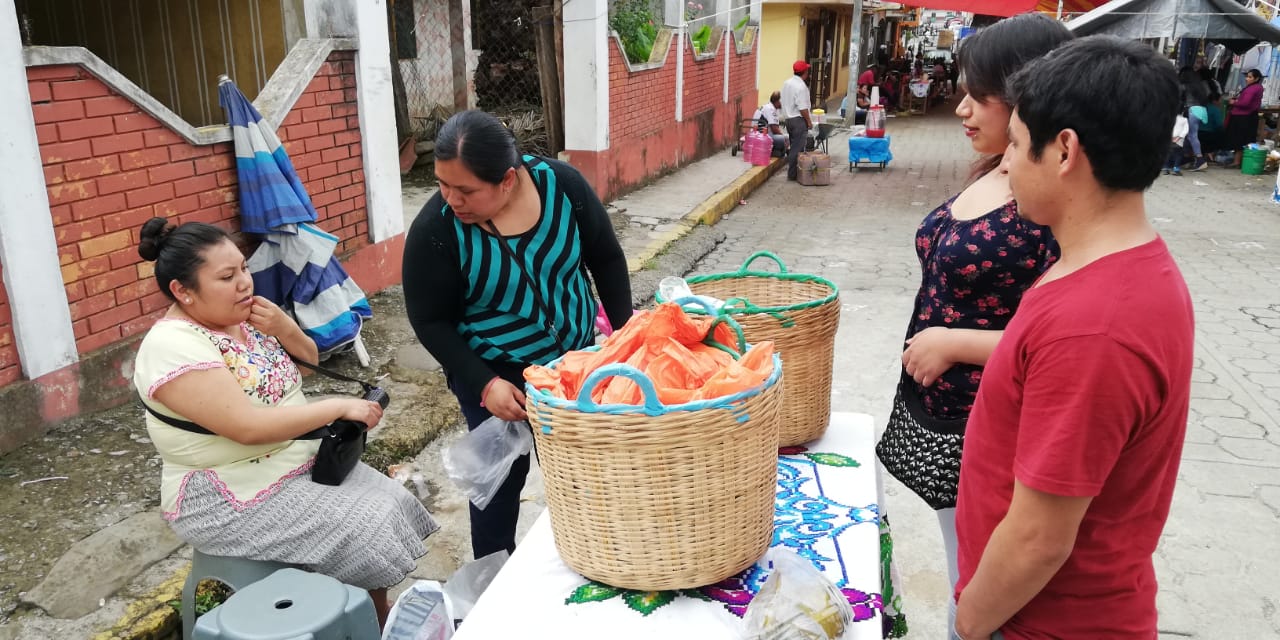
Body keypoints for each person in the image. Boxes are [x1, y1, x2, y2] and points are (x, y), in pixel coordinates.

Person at [954, 35, 1194, 639]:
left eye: (1015, 145)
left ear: (1064, 152)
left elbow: (1038, 539)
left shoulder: (1096, 327)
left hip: (1041, 622)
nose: (1006, 165)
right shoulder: (1107, 266)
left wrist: (967, 624)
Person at [131, 218, 438, 628]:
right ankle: (363, 624)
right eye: (227, 276)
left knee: (390, 502)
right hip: (224, 493)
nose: (244, 282)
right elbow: (247, 428)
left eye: (243, 267)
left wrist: (283, 327)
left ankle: (361, 619)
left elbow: (309, 361)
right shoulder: (174, 346)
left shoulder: (241, 320)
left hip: (291, 462)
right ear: (182, 291)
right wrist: (334, 408)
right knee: (365, 526)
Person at [878, 13, 1071, 635]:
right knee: (961, 556)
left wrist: (954, 342)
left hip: (986, 423)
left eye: (977, 94)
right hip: (940, 410)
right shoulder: (995, 170)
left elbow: (1061, 337)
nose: (961, 108)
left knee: (982, 581)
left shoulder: (1049, 198)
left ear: (1025, 96)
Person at [402, 110, 632, 559]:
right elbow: (430, 321)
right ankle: (492, 593)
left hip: (578, 367)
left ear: (508, 179)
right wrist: (484, 384)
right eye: (442, 185)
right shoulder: (437, 230)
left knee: (586, 481)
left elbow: (606, 258)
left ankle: (599, 564)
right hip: (494, 374)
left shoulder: (563, 189)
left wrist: (626, 340)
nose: (451, 200)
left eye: (465, 189)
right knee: (497, 494)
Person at [1223, 68, 1264, 169]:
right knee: (1244, 140)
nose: (1247, 79)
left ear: (1256, 78)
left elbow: (1245, 103)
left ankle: (1237, 162)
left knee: (1239, 140)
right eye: (1247, 76)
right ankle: (1240, 161)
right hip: (1247, 117)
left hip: (1243, 118)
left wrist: (1234, 102)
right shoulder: (1255, 87)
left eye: (1250, 77)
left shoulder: (1253, 88)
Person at [781, 60, 813, 181]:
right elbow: (803, 108)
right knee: (797, 148)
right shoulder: (801, 87)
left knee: (794, 145)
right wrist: (809, 122)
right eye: (807, 70)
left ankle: (795, 172)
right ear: (805, 72)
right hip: (798, 120)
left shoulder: (787, 83)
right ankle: (792, 174)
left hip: (789, 120)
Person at [1178, 67, 1209, 171]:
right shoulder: (1200, 86)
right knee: (1188, 135)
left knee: (1192, 135)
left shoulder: (1184, 86)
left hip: (1192, 110)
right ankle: (1187, 158)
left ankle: (1200, 160)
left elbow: (1179, 99)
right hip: (1201, 111)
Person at [752, 91, 788, 157]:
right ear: (777, 101)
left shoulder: (767, 107)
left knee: (783, 140)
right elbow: (775, 129)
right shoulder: (770, 109)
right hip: (761, 136)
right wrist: (784, 139)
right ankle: (773, 152)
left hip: (758, 134)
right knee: (784, 139)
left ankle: (777, 152)